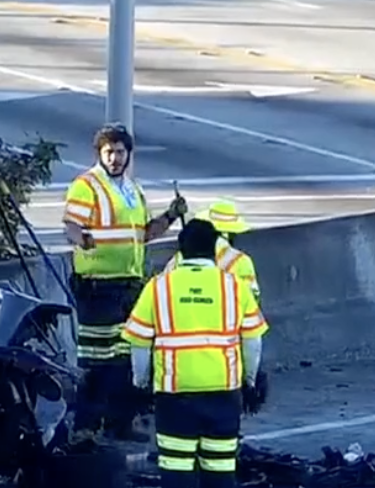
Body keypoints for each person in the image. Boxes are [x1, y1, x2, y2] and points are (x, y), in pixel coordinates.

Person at [62, 123, 190, 441]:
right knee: (95, 359)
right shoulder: (86, 185)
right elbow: (71, 225)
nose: (115, 158)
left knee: (126, 358)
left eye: (120, 152)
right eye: (109, 152)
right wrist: (82, 240)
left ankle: (120, 423)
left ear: (128, 154)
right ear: (99, 154)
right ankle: (86, 427)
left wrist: (171, 216)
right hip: (97, 287)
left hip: (129, 285)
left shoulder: (133, 190)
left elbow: (144, 234)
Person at [121, 219, 269, 488]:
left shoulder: (159, 286)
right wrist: (249, 380)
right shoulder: (235, 286)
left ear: (181, 249)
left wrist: (139, 383)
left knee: (177, 469)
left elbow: (139, 343)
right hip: (224, 394)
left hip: (174, 395)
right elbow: (252, 340)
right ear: (214, 249)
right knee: (220, 470)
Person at [163, 200, 260, 298]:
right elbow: (252, 298)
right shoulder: (240, 261)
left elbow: (164, 287)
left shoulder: (179, 257)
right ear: (233, 233)